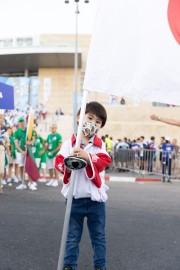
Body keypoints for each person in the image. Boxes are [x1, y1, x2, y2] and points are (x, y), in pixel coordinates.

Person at [55, 101, 111, 270]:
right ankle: (69, 265)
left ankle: (100, 266)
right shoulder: (69, 145)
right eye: (90, 118)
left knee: (98, 237)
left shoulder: (100, 147)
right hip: (74, 200)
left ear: (101, 126)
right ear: (79, 117)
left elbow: (104, 162)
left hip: (96, 201)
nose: (93, 124)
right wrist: (69, 162)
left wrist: (86, 156)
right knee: (71, 236)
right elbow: (58, 163)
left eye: (98, 122)